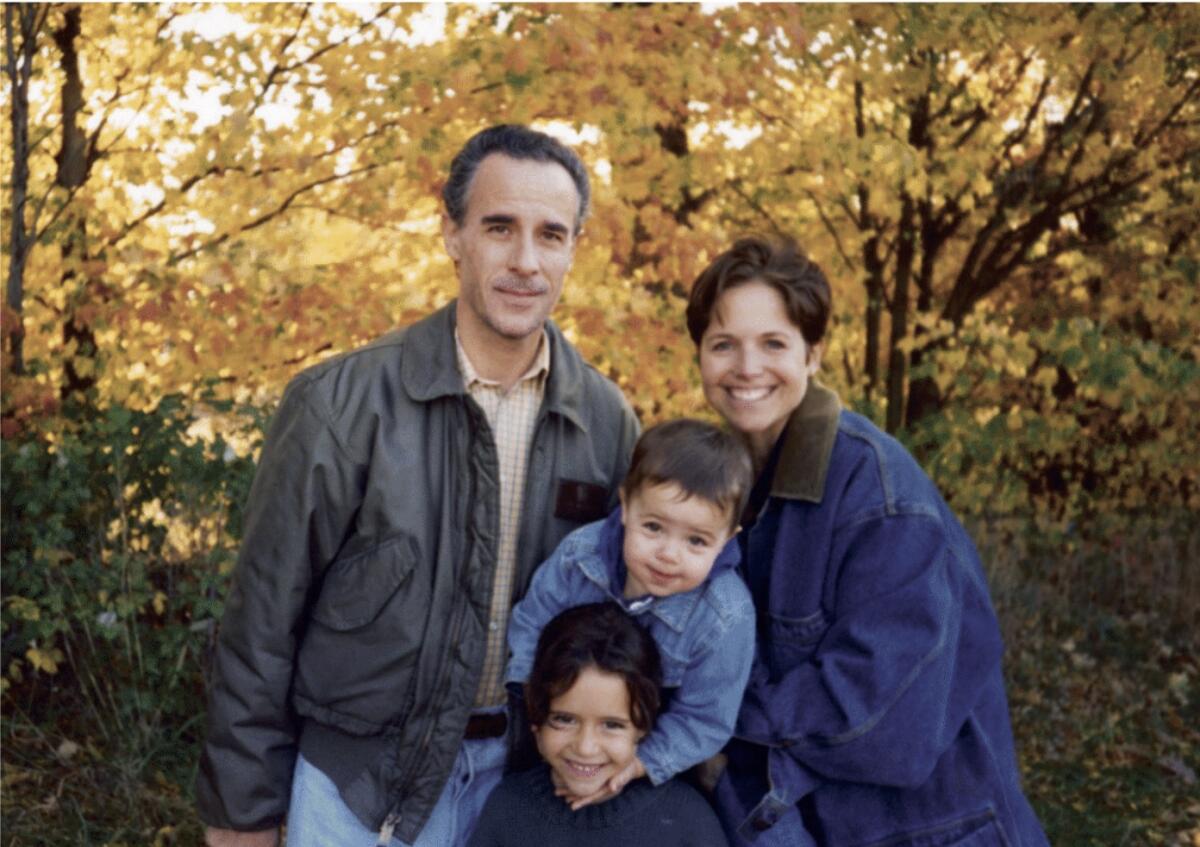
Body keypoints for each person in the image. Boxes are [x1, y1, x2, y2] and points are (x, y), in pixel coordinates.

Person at [195, 125, 640, 847]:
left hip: (528, 791)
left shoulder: (606, 421)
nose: (526, 260)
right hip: (358, 784)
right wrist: (241, 811)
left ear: (572, 250)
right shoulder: (339, 404)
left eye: (550, 235)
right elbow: (260, 627)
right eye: (499, 227)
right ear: (452, 235)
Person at [685, 236, 1049, 846]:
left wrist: (706, 722)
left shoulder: (879, 496)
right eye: (725, 345)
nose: (747, 368)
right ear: (699, 355)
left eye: (774, 344)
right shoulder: (720, 491)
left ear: (814, 354)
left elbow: (879, 715)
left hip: (937, 831)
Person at [504, 418, 756, 807]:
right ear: (625, 506)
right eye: (654, 527)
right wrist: (535, 716)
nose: (669, 554)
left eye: (696, 541)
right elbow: (530, 626)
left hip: (653, 753)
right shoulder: (580, 558)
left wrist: (637, 765)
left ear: (727, 539)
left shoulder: (724, 617)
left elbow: (706, 718)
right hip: (561, 730)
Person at [469, 602, 729, 847]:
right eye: (564, 719)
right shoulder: (509, 808)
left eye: (612, 725)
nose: (585, 748)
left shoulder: (685, 819)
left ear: (643, 727)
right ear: (537, 719)